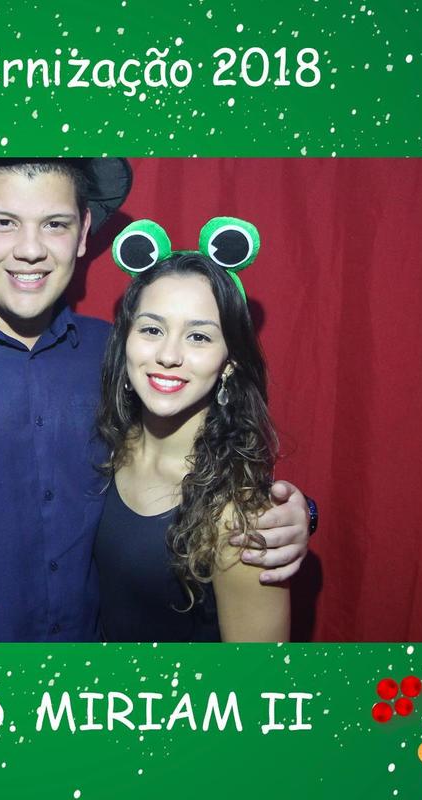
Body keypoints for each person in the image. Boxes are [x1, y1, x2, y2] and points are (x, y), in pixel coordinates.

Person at [0, 159, 312, 642]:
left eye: (54, 224)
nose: (30, 250)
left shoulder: (120, 357)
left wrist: (287, 516)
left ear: (84, 232)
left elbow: (192, 464)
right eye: (4, 222)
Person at [95, 229, 288, 642]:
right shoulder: (100, 449)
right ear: (125, 341)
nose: (169, 355)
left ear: (230, 362)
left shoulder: (241, 516)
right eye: (151, 329)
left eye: (198, 336)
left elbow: (260, 675)